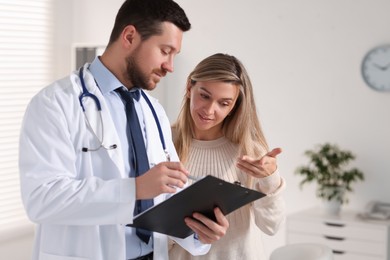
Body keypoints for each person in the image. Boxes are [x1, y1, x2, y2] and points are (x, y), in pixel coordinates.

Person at [18, 1, 229, 260]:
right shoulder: (56, 103)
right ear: (129, 36)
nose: (170, 66)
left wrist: (199, 230)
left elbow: (168, 193)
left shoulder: (154, 110)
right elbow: (42, 200)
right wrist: (135, 189)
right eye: (165, 51)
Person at [169, 53, 286, 259]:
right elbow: (148, 232)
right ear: (189, 88)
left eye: (224, 103)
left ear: (234, 106)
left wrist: (270, 179)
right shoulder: (162, 143)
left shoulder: (251, 153)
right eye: (204, 96)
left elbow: (271, 226)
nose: (209, 110)